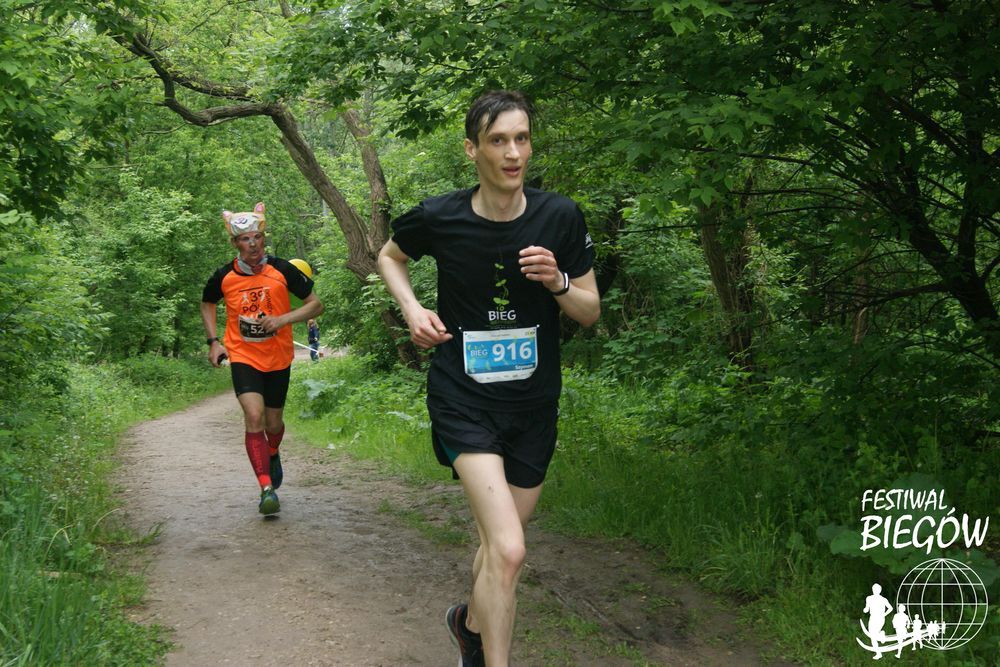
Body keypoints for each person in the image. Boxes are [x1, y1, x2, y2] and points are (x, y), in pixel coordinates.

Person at [377, 90, 600, 666]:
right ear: (472, 149)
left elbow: (590, 310)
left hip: (533, 406)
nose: (513, 153)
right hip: (464, 399)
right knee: (510, 549)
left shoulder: (560, 216)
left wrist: (557, 282)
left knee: (499, 551)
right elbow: (390, 256)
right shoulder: (440, 216)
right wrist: (412, 308)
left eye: (521, 138)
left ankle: (468, 624)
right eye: (498, 141)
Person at [201, 202, 323, 515]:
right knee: (253, 416)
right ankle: (266, 489)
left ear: (263, 238)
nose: (253, 244)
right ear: (235, 243)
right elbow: (207, 302)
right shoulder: (224, 276)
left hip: (278, 356)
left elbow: (315, 305)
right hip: (243, 354)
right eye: (245, 239)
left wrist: (283, 320)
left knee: (273, 422)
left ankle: (272, 450)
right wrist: (214, 342)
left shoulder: (283, 270)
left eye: (257, 237)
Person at [863, 583, 894, 660]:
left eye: (877, 589)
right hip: (872, 617)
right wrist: (865, 610)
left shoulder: (883, 599)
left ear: (879, 590)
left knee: (873, 635)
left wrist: (884, 614)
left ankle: (881, 635)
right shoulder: (869, 598)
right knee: (872, 636)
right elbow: (867, 608)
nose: (875, 590)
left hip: (879, 618)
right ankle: (878, 652)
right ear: (872, 590)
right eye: (874, 589)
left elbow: (890, 608)